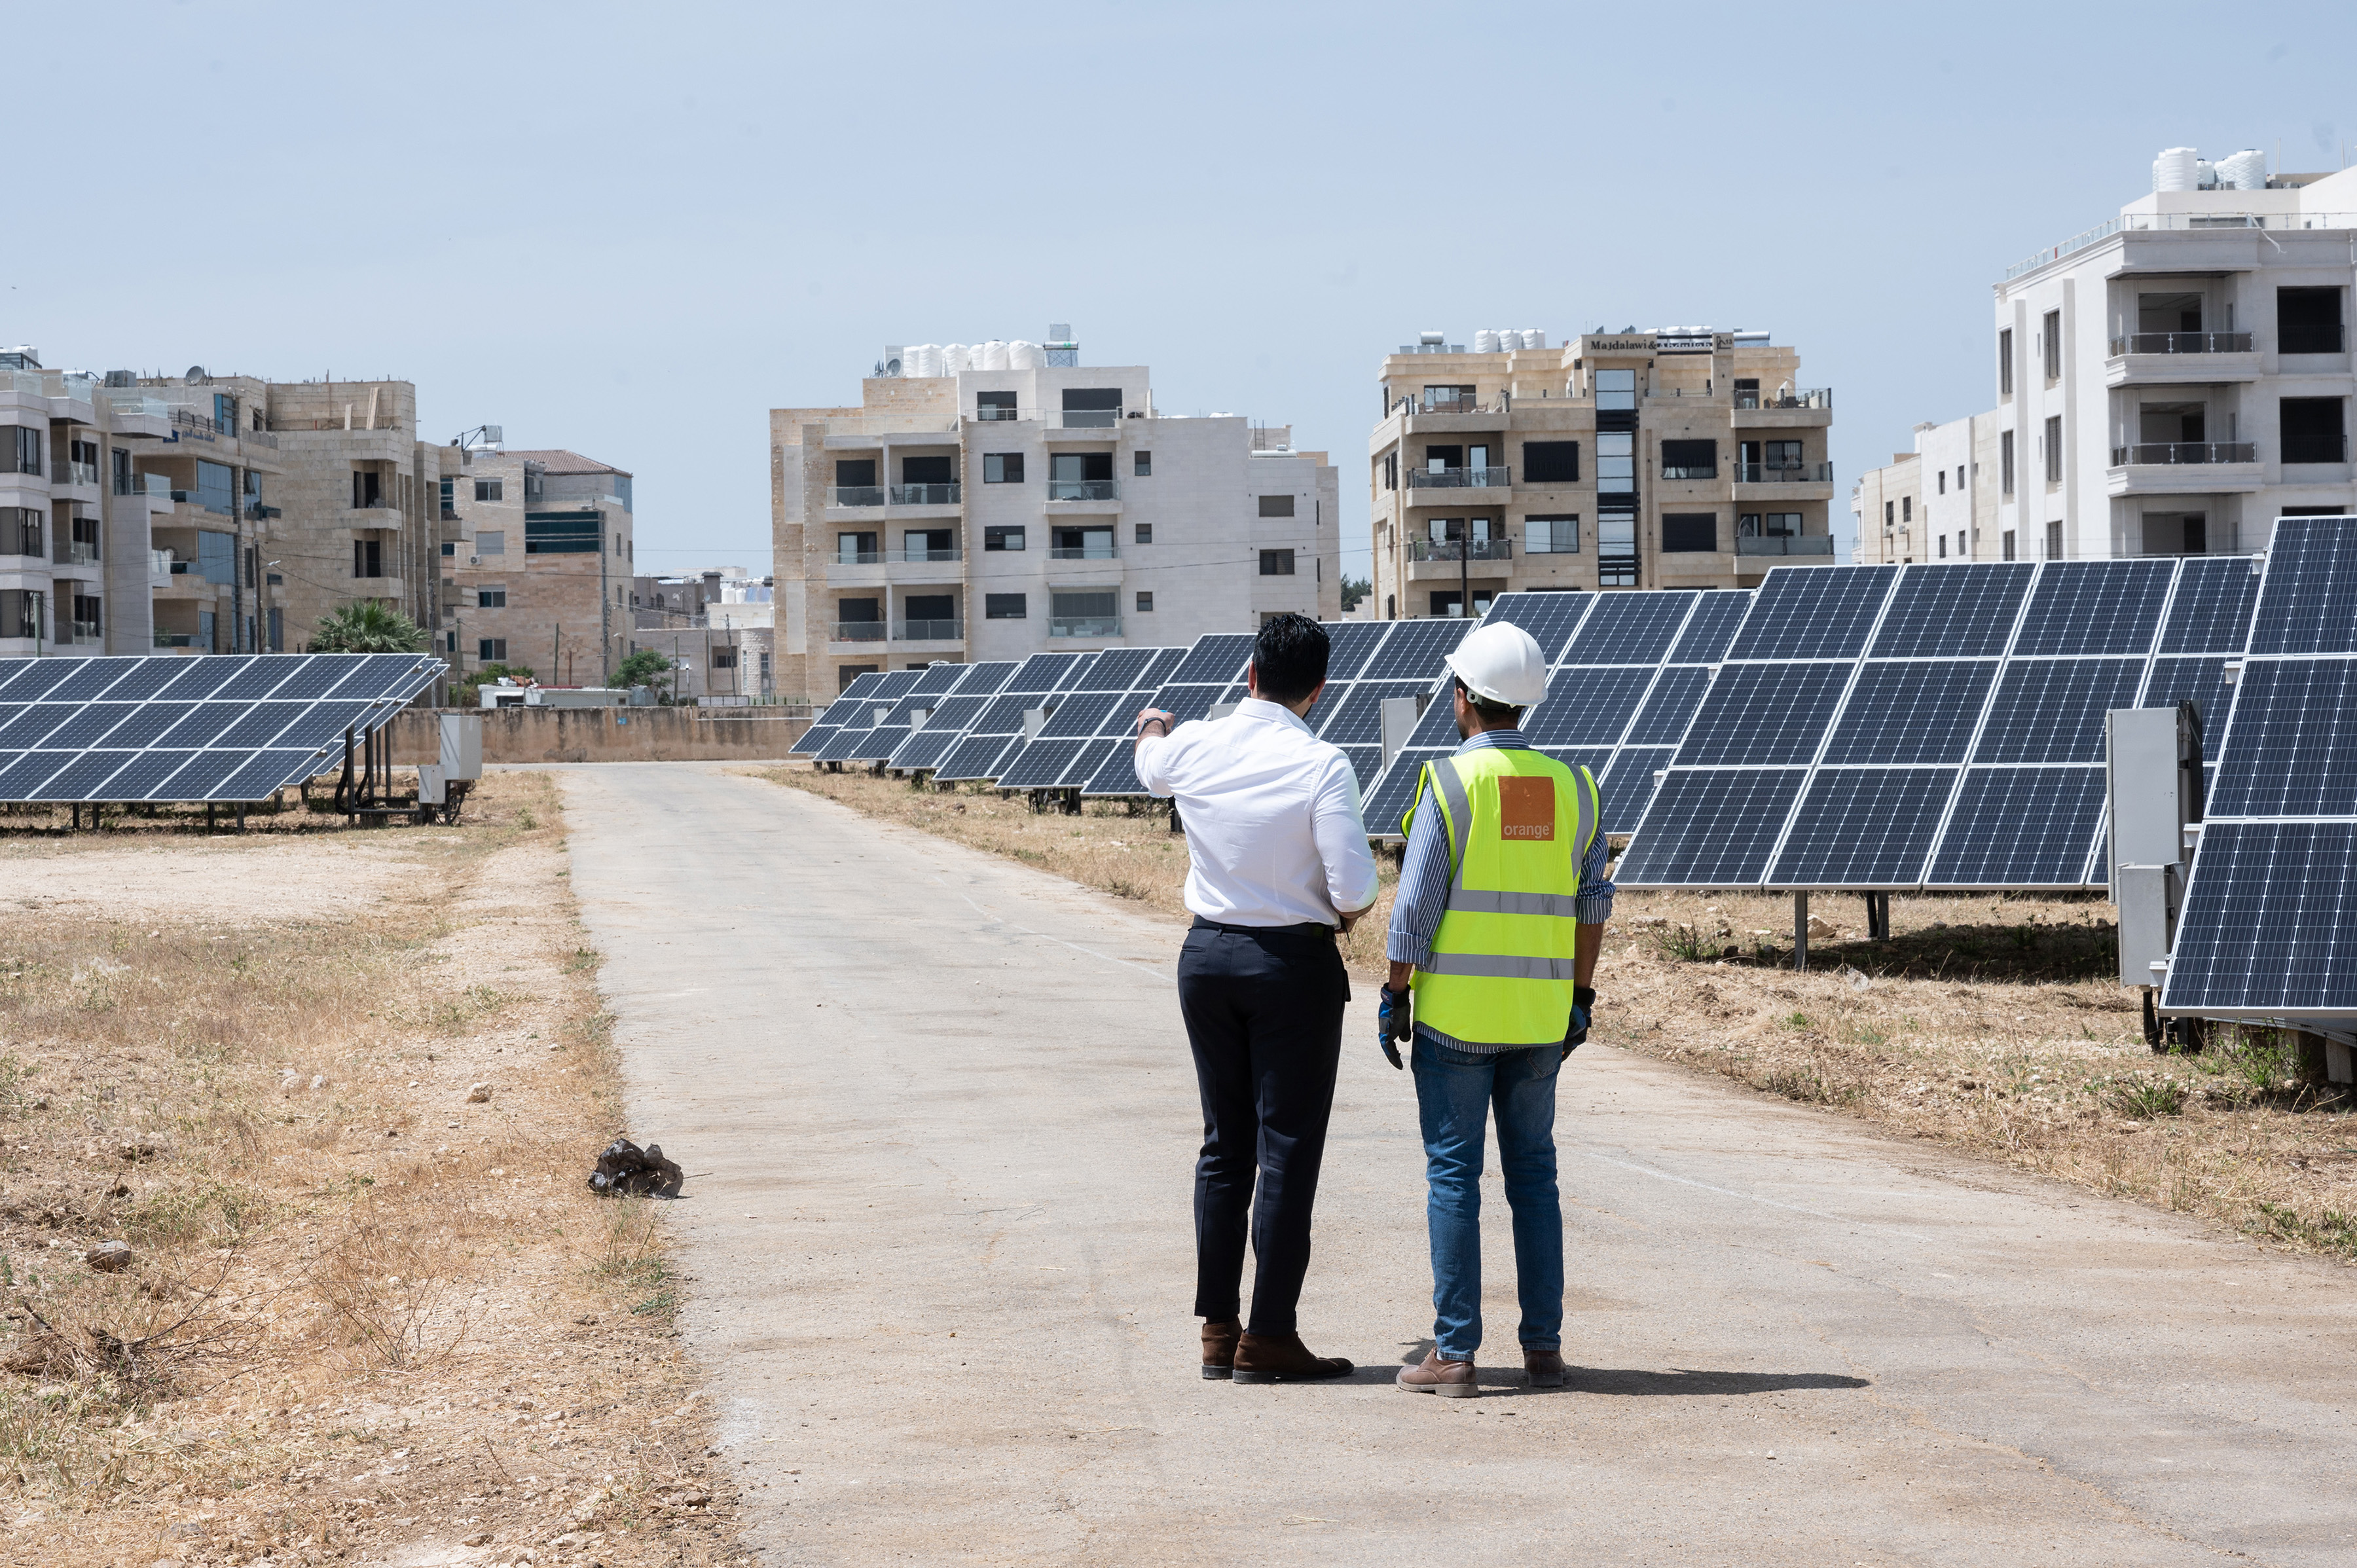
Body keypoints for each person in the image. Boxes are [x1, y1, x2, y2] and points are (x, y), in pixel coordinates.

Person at [1133, 614, 1381, 1385]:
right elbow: (1355, 890)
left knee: (1223, 1145)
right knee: (1288, 1151)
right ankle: (1271, 1335)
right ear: (1319, 690)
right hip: (1289, 967)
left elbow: (1150, 766)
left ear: (1247, 676)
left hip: (1205, 957)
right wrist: (1332, 911)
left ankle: (1217, 1330)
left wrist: (1149, 724)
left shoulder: (1196, 744)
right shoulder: (1323, 764)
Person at [1377, 621, 1611, 1398]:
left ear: (1464, 699)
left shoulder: (1449, 784)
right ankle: (1543, 1350)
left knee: (1454, 1178)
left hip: (1457, 1021)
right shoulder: (1575, 787)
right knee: (1534, 1180)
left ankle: (1455, 1355)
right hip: (1542, 1021)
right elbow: (1592, 905)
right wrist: (1580, 996)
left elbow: (1414, 909)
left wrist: (1395, 991)